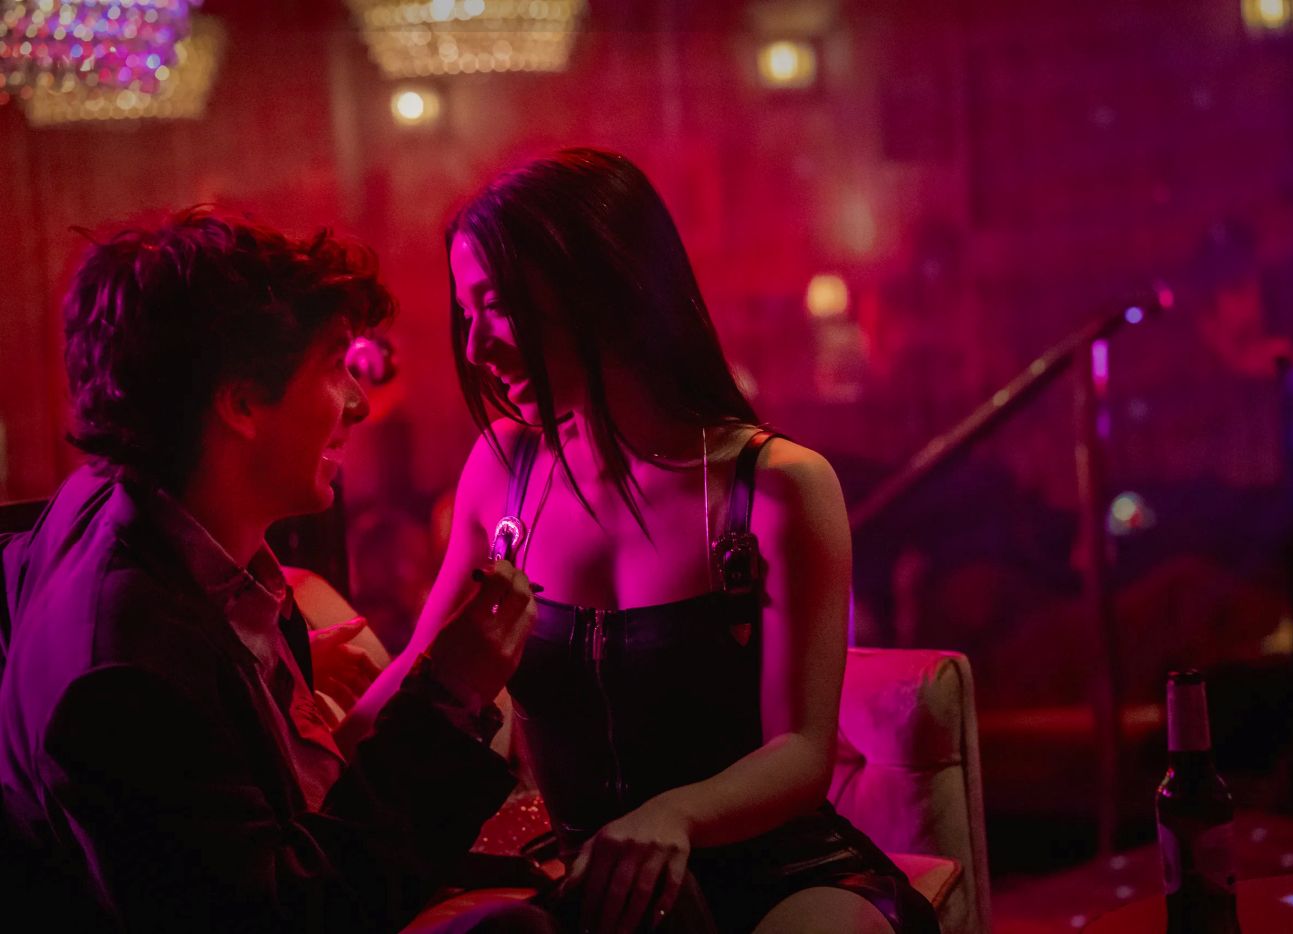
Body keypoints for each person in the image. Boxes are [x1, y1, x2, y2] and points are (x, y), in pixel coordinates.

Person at [0, 210, 553, 933]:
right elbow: (296, 915)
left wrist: (254, 683)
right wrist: (450, 700)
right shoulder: (131, 683)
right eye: (334, 366)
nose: (358, 402)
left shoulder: (119, 508)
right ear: (240, 403)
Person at [434, 148, 941, 933]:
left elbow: (802, 753)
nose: (475, 349)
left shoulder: (778, 485)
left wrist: (674, 814)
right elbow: (422, 681)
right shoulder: (506, 469)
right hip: (606, 892)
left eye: (495, 306)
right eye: (465, 315)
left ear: (599, 282)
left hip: (784, 873)